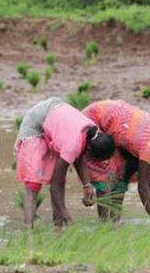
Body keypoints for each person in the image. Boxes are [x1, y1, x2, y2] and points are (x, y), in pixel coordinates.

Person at [83, 100, 150, 222]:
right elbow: (143, 188)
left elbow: (131, 154)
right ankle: (104, 224)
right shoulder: (147, 146)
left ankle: (114, 221)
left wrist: (145, 175)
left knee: (122, 175)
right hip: (92, 123)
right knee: (105, 175)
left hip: (108, 118)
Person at [15, 97, 115, 227]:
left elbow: (80, 155)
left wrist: (87, 185)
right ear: (90, 150)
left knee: (60, 180)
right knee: (33, 184)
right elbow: (54, 188)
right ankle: (28, 232)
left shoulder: (94, 133)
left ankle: (58, 227)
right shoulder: (72, 145)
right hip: (36, 122)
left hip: (57, 118)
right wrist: (69, 219)